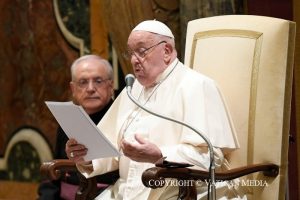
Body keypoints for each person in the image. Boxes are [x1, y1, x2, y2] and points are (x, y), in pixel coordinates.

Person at [66, 20, 246, 199]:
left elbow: (210, 157)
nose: (134, 60)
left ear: (166, 51)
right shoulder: (133, 89)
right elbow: (112, 150)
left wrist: (160, 155)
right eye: (131, 53)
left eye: (141, 51)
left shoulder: (197, 86)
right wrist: (87, 156)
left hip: (176, 193)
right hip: (125, 191)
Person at [38, 55, 119, 200]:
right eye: (83, 82)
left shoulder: (122, 117)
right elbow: (56, 173)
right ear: (73, 88)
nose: (90, 89)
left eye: (98, 81)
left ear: (111, 85)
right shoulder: (68, 118)